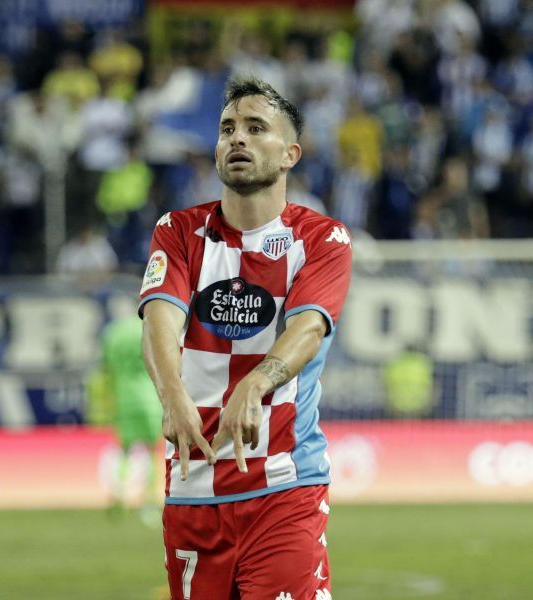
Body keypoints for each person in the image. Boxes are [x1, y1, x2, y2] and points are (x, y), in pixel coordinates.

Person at [139, 76, 352, 600]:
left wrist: (255, 384)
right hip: (192, 485)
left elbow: (307, 326)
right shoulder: (178, 231)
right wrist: (172, 396)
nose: (238, 139)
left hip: (283, 484)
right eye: (228, 129)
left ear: (290, 154)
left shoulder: (322, 238)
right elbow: (159, 317)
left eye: (256, 129)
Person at [91, 295, 163, 525]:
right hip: (151, 397)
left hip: (123, 398)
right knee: (152, 451)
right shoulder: (150, 328)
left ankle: (117, 497)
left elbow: (105, 369)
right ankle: (149, 503)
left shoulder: (112, 333)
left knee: (123, 450)